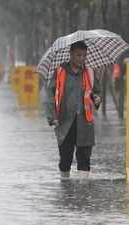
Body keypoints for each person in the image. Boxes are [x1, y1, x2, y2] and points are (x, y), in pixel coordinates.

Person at [45, 41, 102, 179]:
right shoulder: (59, 72)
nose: (81, 58)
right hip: (64, 123)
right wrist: (52, 117)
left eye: (84, 55)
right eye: (78, 55)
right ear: (70, 54)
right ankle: (66, 190)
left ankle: (83, 194)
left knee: (84, 160)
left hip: (85, 122)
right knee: (65, 160)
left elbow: (97, 91)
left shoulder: (90, 72)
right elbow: (50, 95)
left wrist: (97, 99)